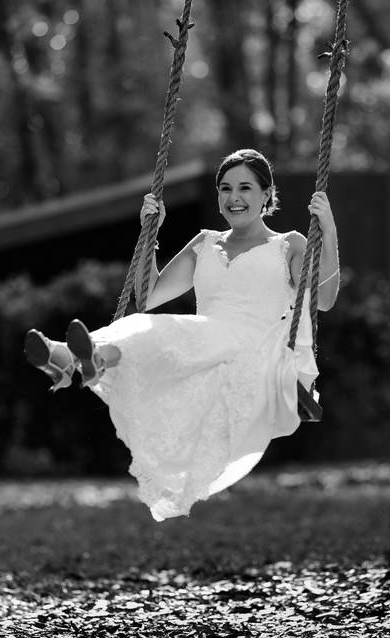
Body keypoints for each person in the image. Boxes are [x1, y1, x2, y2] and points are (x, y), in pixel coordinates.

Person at [25, 149, 340, 521]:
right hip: (208, 338)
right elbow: (149, 295)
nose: (233, 198)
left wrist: (329, 229)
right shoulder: (204, 243)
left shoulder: (289, 244)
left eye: (245, 188)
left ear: (267, 194)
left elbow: (325, 299)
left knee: (172, 331)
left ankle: (82, 359)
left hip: (258, 348)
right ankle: (77, 358)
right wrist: (150, 234)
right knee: (153, 325)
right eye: (225, 189)